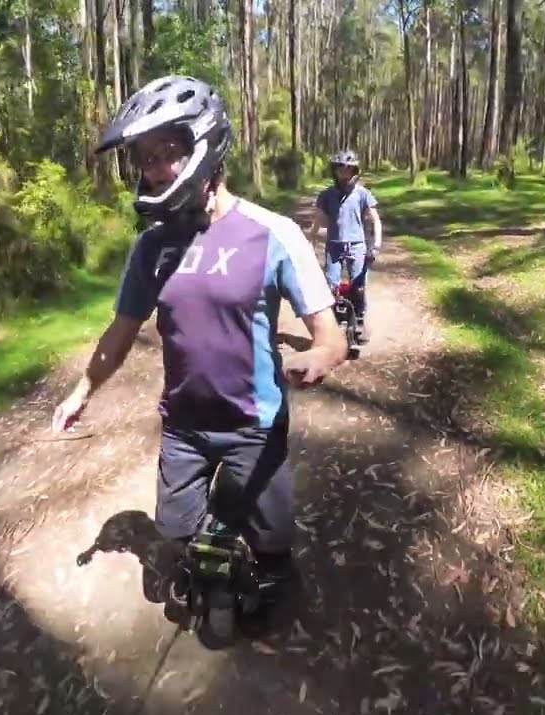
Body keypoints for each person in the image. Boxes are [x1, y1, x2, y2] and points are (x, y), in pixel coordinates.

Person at [51, 75, 348, 606]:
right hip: (183, 429)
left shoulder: (272, 233)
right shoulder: (151, 248)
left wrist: (319, 357)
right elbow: (119, 334)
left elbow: (331, 336)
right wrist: (81, 391)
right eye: (145, 158)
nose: (156, 168)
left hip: (254, 426)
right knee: (178, 543)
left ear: (205, 146)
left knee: (273, 552)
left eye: (168, 151)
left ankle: (268, 584)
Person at [308, 150, 383, 344]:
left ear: (355, 171)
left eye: (348, 169)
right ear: (335, 171)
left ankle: (359, 319)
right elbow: (318, 220)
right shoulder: (327, 195)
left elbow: (375, 220)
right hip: (333, 246)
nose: (344, 173)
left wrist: (376, 245)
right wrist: (310, 240)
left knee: (358, 287)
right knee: (331, 287)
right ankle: (333, 323)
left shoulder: (363, 194)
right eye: (340, 169)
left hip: (357, 246)